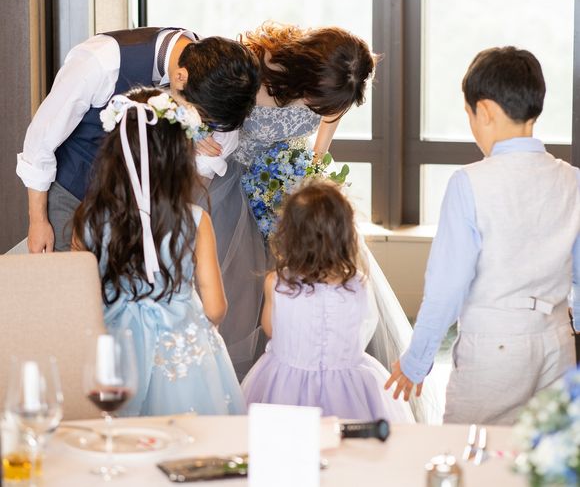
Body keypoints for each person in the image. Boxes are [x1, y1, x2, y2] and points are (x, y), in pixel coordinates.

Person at [202, 22, 442, 423]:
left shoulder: (339, 87)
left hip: (288, 188)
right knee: (245, 285)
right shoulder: (251, 65)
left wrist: (307, 175)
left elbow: (321, 138)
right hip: (233, 184)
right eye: (318, 99)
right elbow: (206, 103)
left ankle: (325, 377)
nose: (321, 109)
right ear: (305, 69)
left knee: (322, 266)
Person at [386, 46, 580, 425]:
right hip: (557, 343)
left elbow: (447, 285)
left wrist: (417, 360)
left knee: (471, 449)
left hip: (495, 347)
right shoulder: (572, 179)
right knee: (544, 453)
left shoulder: (469, 183)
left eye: (469, 114)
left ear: (485, 110)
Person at [72, 86, 246, 416]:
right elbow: (215, 308)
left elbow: (79, 297)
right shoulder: (195, 220)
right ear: (178, 158)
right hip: (179, 355)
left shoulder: (89, 219)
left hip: (114, 352)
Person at [17, 27, 260, 253]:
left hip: (141, 215)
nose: (204, 126)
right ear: (180, 77)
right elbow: (41, 140)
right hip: (73, 193)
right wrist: (38, 220)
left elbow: (207, 163)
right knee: (70, 281)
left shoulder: (221, 82)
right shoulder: (100, 61)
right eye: (201, 118)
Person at [242, 180, 414, 423]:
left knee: (283, 436)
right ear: (345, 234)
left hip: (285, 383)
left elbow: (271, 328)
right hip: (348, 385)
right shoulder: (358, 284)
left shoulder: (277, 283)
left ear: (290, 235)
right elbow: (363, 330)